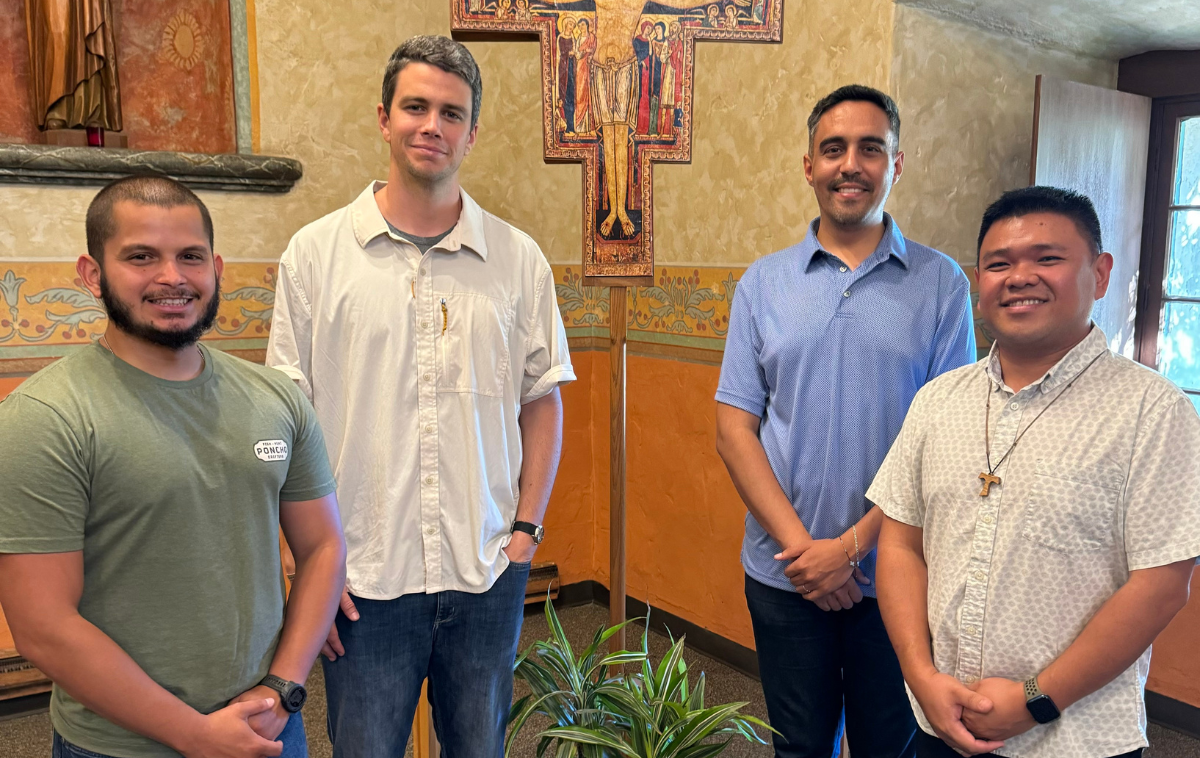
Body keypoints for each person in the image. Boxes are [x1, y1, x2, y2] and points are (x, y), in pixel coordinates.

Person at [264, 36, 575, 758]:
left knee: (480, 748)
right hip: (363, 575)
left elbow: (541, 402)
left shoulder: (518, 259)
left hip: (486, 567)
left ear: (473, 132)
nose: (431, 125)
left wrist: (527, 532)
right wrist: (303, 559)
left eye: (450, 112)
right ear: (384, 118)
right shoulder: (315, 255)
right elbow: (288, 419)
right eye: (415, 107)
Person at [0, 175, 346, 758]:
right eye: (141, 257)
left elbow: (324, 549)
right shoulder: (43, 418)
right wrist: (196, 736)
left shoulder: (276, 399)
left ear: (216, 268)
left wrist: (280, 692)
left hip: (266, 730)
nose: (171, 277)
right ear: (92, 274)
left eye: (189, 256)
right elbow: (43, 626)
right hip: (117, 747)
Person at [871, 186, 1200, 758]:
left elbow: (1161, 585)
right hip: (940, 721)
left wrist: (1035, 700)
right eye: (999, 264)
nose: (1019, 277)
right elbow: (899, 544)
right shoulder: (937, 400)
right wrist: (921, 677)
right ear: (979, 283)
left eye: (1048, 258)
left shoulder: (1154, 410)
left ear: (1099, 274)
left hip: (1075, 737)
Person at [715, 84, 976, 758]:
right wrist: (809, 553)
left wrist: (850, 551)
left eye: (871, 149)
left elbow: (943, 442)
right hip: (785, 573)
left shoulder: (942, 284)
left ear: (897, 164)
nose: (850, 164)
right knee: (797, 746)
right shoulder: (763, 284)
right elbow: (734, 427)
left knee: (890, 744)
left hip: (899, 569)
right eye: (833, 150)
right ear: (810, 166)